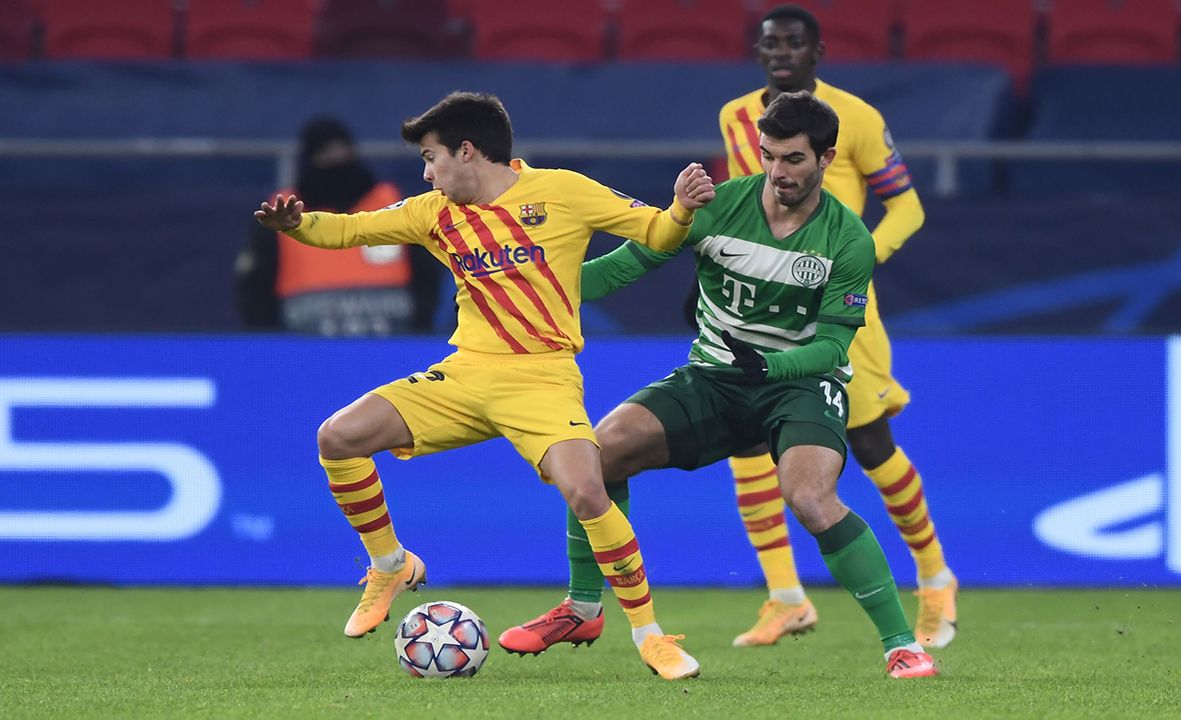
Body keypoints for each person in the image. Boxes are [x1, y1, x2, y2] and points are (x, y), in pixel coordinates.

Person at [253, 91, 715, 680]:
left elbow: (656, 233)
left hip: (542, 378)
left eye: (430, 157)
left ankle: (651, 636)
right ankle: (389, 564)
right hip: (467, 371)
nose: (425, 173)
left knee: (587, 492)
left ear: (466, 151)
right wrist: (298, 225)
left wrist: (678, 209)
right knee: (338, 436)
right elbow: (350, 231)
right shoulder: (434, 212)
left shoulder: (563, 191)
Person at [502, 91, 937, 678]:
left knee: (809, 497)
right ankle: (582, 607)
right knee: (596, 457)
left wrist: (772, 368)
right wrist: (531, 286)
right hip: (714, 376)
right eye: (768, 156)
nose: (777, 172)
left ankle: (900, 645)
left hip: (802, 385)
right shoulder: (717, 206)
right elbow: (629, 265)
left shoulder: (848, 240)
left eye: (793, 160)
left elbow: (833, 347)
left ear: (827, 158)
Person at [716, 3, 955, 648]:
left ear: (816, 52)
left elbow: (906, 206)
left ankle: (934, 579)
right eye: (771, 45)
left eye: (794, 44)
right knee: (746, 442)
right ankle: (786, 597)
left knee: (871, 443)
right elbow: (750, 203)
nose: (781, 54)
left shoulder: (857, 117)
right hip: (765, 305)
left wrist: (861, 259)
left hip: (841, 309)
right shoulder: (737, 117)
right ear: (760, 53)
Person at [236, 116, 441, 336]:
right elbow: (254, 288)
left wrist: (420, 330)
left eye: (343, 150)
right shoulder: (284, 212)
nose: (337, 160)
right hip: (306, 345)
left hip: (391, 340)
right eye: (326, 154)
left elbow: (428, 273)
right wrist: (273, 343)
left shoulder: (392, 203)